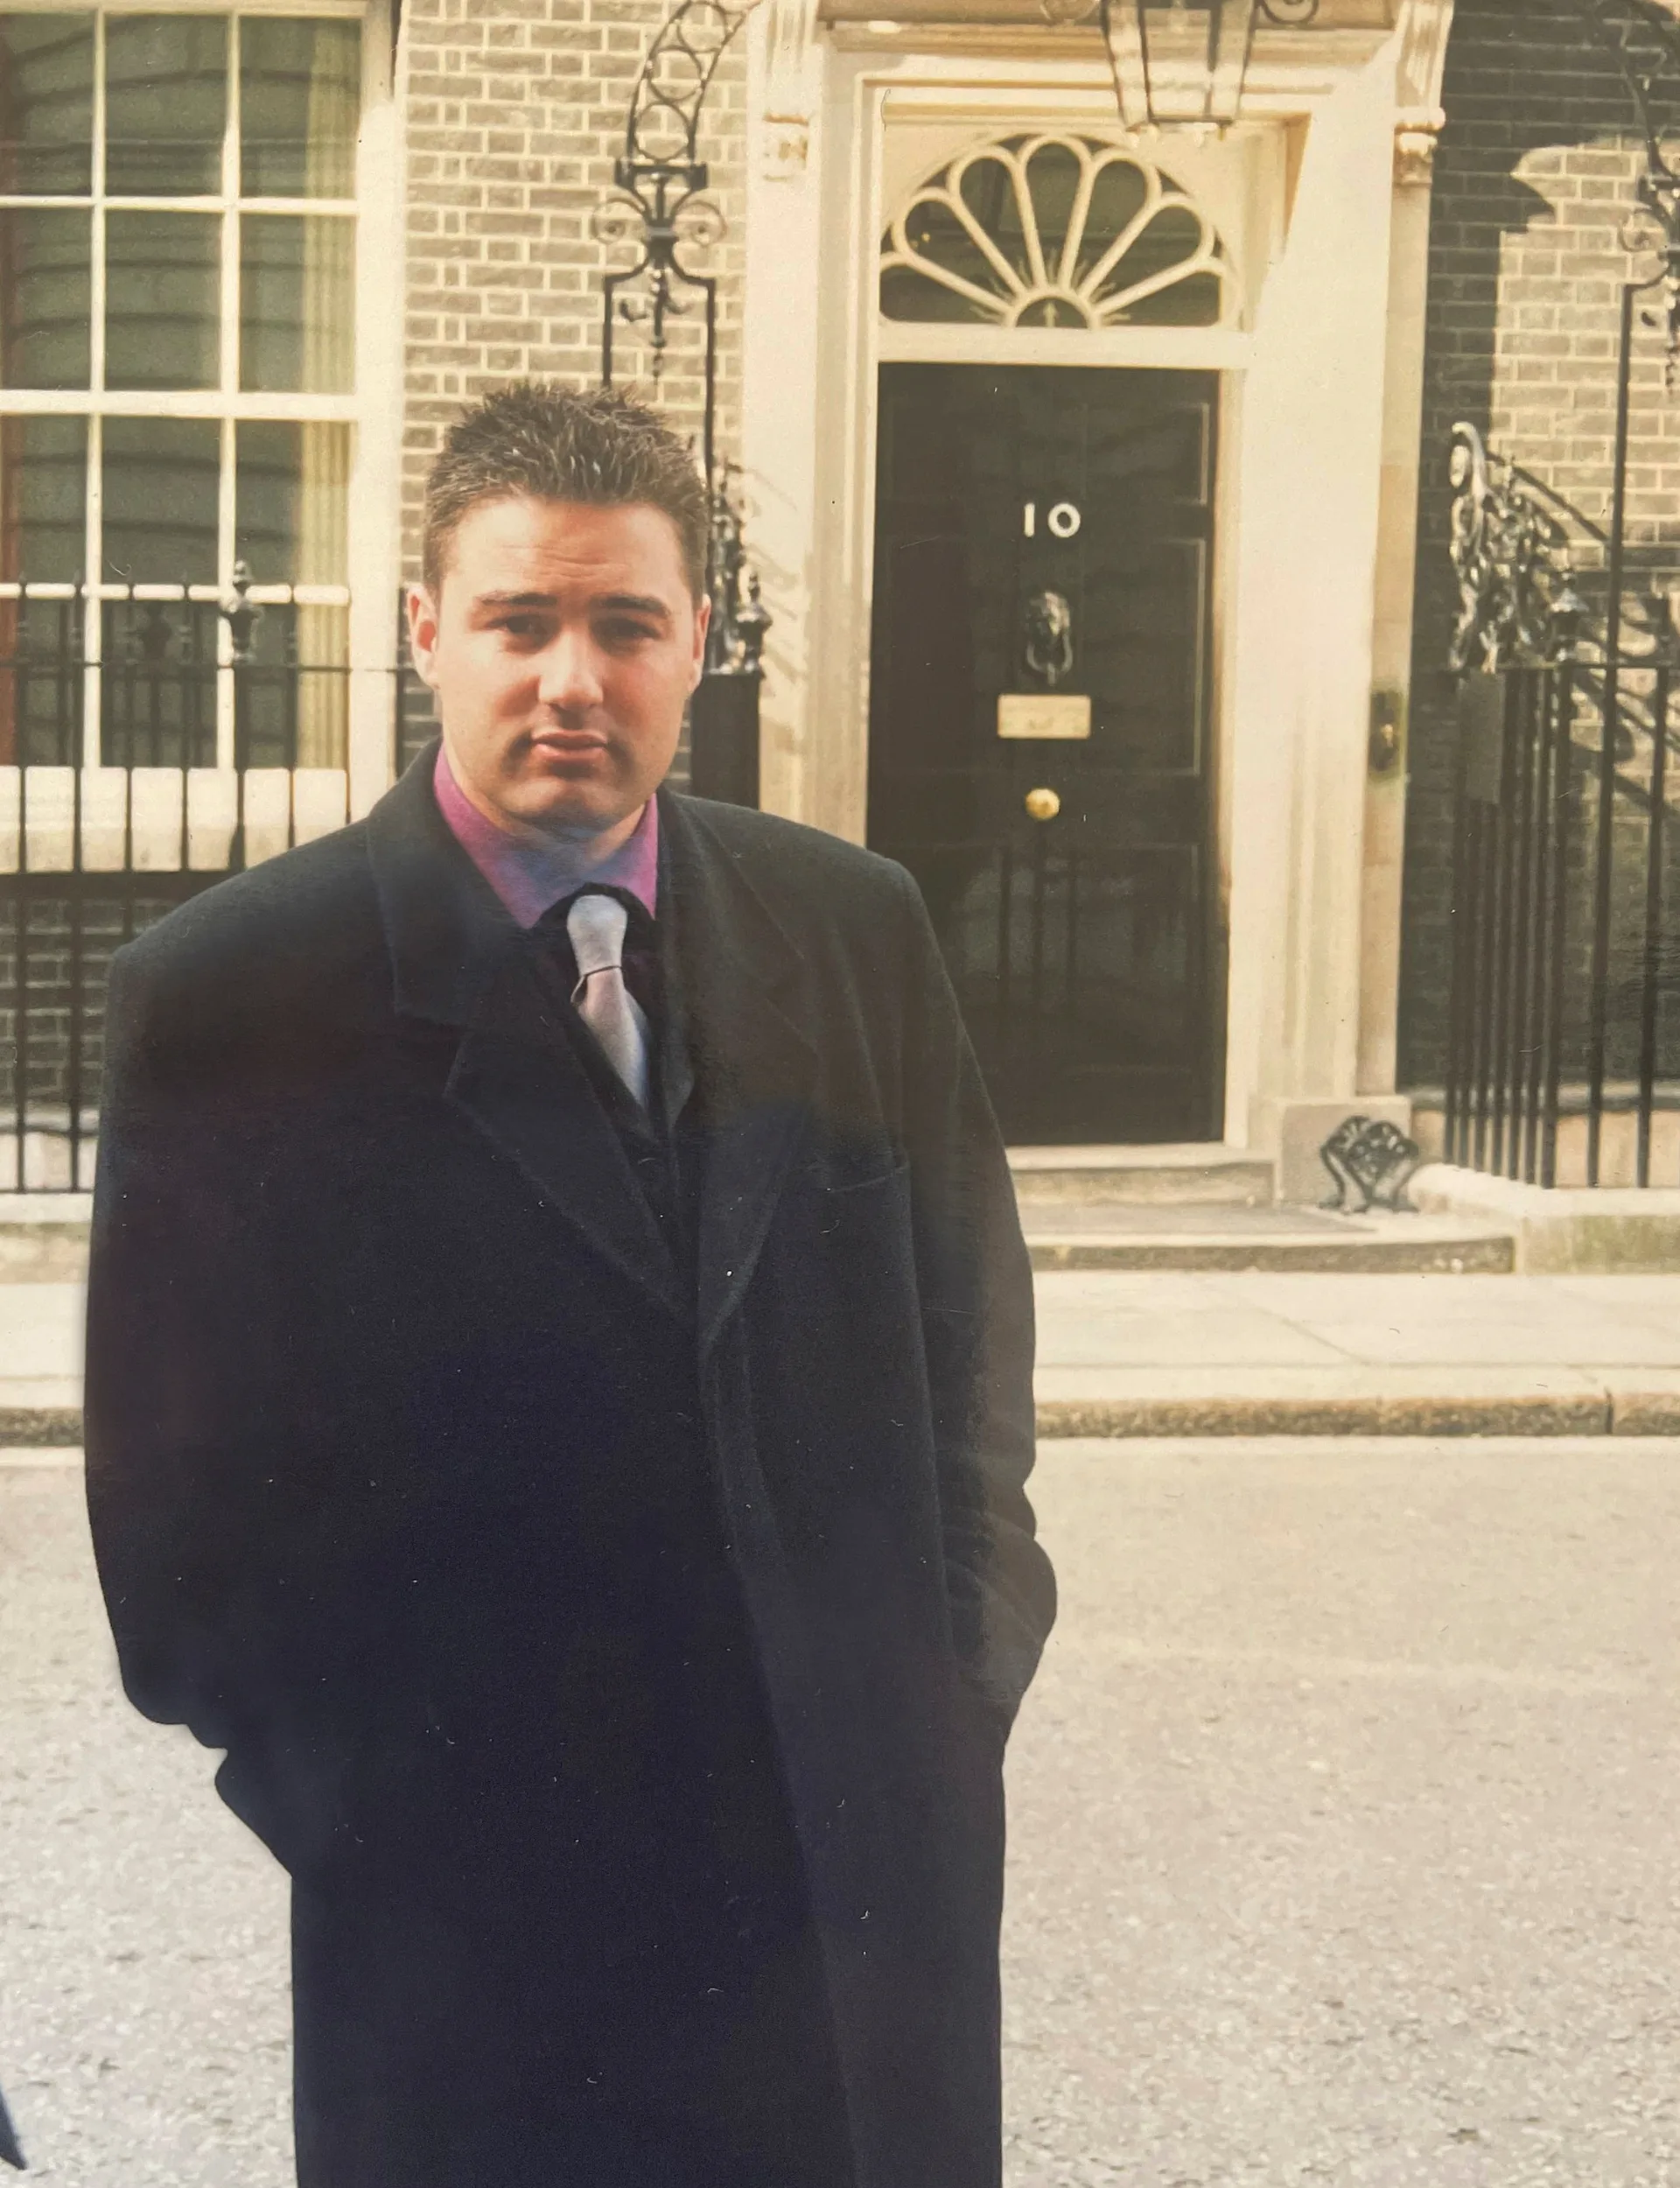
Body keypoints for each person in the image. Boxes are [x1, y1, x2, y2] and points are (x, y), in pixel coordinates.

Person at [83, 382, 1056, 2188]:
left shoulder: (855, 926)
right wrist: (383, 1819)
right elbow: (179, 1538)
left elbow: (968, 1351)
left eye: (626, 623)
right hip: (471, 1925)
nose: (572, 680)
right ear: (426, 634)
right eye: (522, 621)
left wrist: (947, 1685)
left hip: (849, 1886)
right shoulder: (232, 993)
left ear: (701, 641)